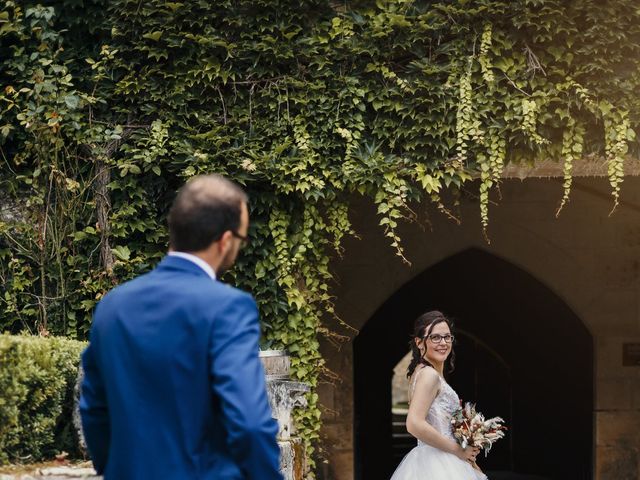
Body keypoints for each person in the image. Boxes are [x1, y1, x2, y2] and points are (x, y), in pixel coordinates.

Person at [80, 174, 283, 480]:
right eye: (241, 239)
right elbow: (250, 425)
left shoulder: (113, 306)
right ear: (225, 241)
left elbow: (94, 410)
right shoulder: (228, 308)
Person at [390, 311, 487, 480]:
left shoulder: (419, 373)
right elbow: (414, 423)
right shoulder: (429, 375)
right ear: (419, 342)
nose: (443, 343)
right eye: (435, 337)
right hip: (440, 463)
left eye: (447, 337)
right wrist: (458, 450)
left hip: (433, 458)